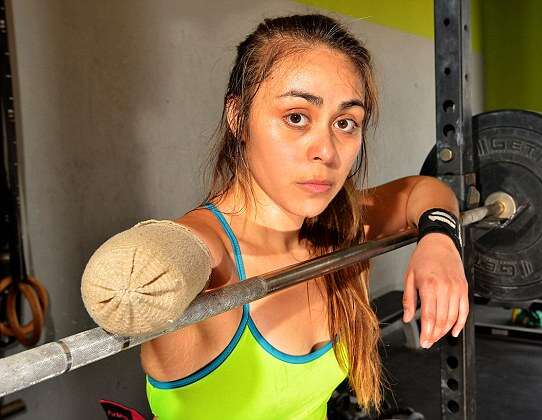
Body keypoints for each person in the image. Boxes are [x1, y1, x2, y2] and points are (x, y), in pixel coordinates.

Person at [81, 13, 468, 420]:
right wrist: (146, 271)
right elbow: (135, 271)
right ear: (238, 118)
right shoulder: (211, 258)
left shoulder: (340, 230)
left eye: (345, 122)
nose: (327, 151)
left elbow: (424, 190)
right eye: (296, 117)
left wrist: (441, 240)